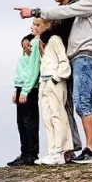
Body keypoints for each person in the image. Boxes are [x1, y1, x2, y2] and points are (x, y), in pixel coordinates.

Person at [16, 0, 92, 161]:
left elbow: (67, 12)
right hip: (87, 55)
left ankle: (91, 150)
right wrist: (31, 37)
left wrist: (34, 11)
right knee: (91, 102)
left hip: (85, 55)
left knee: (82, 102)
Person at [48, 0, 87, 157]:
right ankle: (70, 145)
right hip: (60, 60)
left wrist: (45, 36)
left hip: (70, 60)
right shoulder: (61, 9)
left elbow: (61, 32)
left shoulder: (73, 9)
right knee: (63, 104)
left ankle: (73, 145)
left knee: (72, 102)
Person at [32, 17, 73, 165]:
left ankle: (60, 151)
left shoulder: (54, 39)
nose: (35, 27)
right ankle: (51, 150)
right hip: (44, 81)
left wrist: (56, 78)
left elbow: (63, 60)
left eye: (38, 24)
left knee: (57, 115)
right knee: (47, 117)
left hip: (53, 80)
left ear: (48, 25)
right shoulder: (42, 41)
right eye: (34, 24)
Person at [8, 33, 40, 167]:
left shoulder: (35, 45)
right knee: (21, 122)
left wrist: (25, 90)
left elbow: (33, 70)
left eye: (36, 26)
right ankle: (24, 153)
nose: (33, 29)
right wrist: (17, 89)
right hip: (21, 86)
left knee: (29, 122)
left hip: (29, 88)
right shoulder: (29, 42)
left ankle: (31, 155)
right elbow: (22, 70)